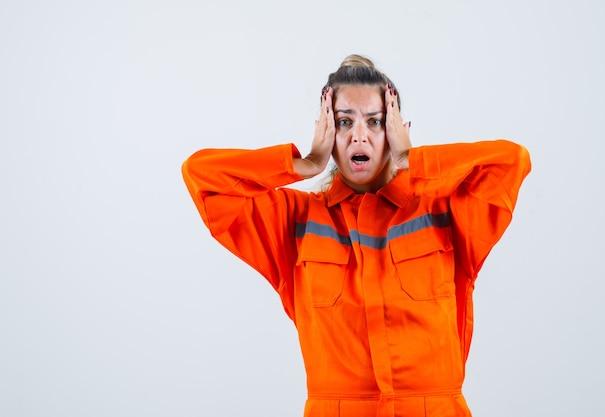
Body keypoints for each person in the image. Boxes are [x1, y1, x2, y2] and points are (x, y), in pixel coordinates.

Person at [181, 54, 531, 417]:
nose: (359, 135)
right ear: (326, 132)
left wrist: (413, 158)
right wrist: (304, 164)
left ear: (398, 129)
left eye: (376, 122)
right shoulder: (295, 221)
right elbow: (202, 177)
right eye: (344, 122)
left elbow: (511, 162)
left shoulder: (442, 210)